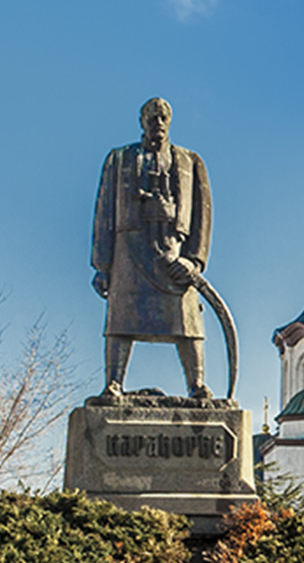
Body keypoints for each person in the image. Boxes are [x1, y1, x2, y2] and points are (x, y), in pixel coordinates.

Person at [92, 97, 215, 398]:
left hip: (174, 253)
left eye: (163, 117)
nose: (157, 122)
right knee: (121, 319)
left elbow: (203, 215)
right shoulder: (119, 159)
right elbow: (103, 213)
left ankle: (196, 385)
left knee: (187, 321)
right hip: (129, 250)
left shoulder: (190, 161)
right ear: (141, 121)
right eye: (151, 117)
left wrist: (194, 261)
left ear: (170, 122)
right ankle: (114, 382)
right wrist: (102, 266)